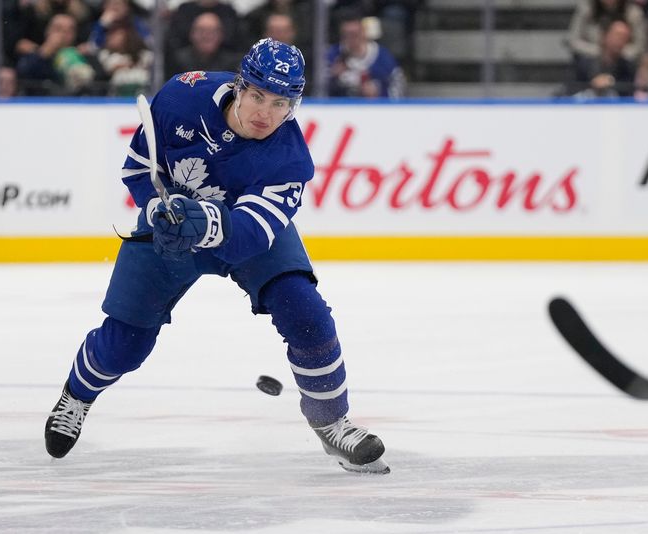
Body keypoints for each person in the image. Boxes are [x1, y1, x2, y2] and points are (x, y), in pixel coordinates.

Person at [43, 38, 389, 475]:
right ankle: (77, 396)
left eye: (280, 103)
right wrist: (154, 208)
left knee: (306, 311)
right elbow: (138, 169)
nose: (265, 112)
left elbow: (247, 237)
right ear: (240, 87)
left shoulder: (289, 161)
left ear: (294, 107)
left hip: (234, 231)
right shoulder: (181, 97)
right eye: (258, 96)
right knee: (126, 342)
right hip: (170, 226)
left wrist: (202, 221)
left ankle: (332, 424)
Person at [327, 12, 406, 98]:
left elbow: (398, 87)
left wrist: (379, 92)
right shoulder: (333, 55)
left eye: (354, 35)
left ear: (363, 33)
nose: (350, 39)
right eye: (346, 35)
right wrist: (332, 77)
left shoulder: (383, 57)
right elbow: (319, 89)